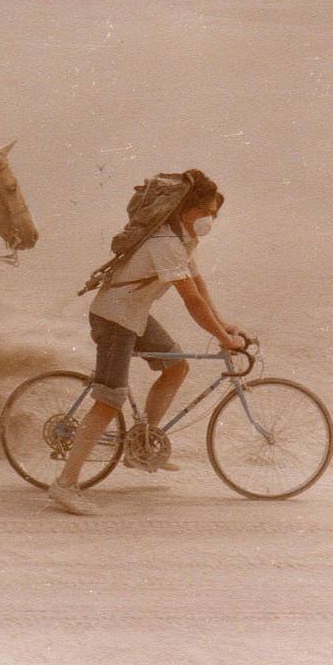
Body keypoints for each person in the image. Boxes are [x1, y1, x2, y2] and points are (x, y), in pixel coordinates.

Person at [47, 170, 246, 516]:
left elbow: (200, 287)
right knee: (110, 399)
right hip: (114, 318)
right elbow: (191, 302)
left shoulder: (182, 240)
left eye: (215, 214)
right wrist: (223, 338)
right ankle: (64, 485)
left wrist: (223, 324)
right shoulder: (165, 244)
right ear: (186, 208)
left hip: (133, 314)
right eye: (205, 211)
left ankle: (144, 447)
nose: (210, 220)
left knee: (176, 367)